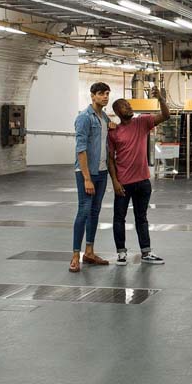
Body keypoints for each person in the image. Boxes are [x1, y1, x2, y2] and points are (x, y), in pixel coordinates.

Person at [108, 85, 171, 265]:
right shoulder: (114, 132)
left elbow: (165, 116)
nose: (128, 107)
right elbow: (110, 159)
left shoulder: (142, 122)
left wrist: (161, 99)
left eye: (128, 104)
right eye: (124, 106)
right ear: (117, 112)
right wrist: (114, 182)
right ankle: (121, 253)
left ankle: (146, 252)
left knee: (141, 217)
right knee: (119, 218)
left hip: (143, 182)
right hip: (123, 183)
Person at [69, 82, 113, 273]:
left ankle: (89, 252)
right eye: (102, 94)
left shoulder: (103, 117)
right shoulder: (84, 118)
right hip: (87, 173)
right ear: (92, 96)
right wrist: (87, 178)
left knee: (95, 212)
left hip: (102, 172)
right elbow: (81, 149)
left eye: (107, 94)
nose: (105, 97)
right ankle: (75, 255)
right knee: (84, 211)